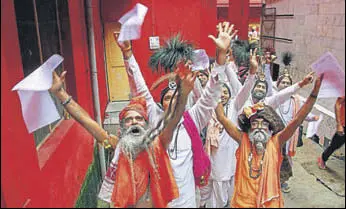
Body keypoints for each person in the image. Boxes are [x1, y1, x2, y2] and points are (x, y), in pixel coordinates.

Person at [115, 22, 237, 208]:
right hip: (159, 201)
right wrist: (128, 54)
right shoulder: (155, 119)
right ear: (161, 103)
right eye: (167, 98)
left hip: (187, 200)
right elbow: (140, 87)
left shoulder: (194, 118)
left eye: (175, 96)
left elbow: (211, 93)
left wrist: (220, 58)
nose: (171, 101)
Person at [48, 65, 197, 207]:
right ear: (122, 127)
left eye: (139, 119)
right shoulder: (117, 146)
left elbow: (172, 122)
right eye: (129, 120)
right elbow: (88, 123)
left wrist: (183, 94)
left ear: (146, 125)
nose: (134, 122)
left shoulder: (158, 144)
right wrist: (61, 94)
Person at [215, 74, 324, 208]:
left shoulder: (276, 142)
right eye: (255, 123)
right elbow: (222, 118)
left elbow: (297, 120)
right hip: (242, 203)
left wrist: (315, 91)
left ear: (270, 128)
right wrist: (214, 87)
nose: (259, 127)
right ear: (249, 128)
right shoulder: (243, 140)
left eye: (264, 124)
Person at [199, 48, 258, 208]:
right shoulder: (208, 109)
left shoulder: (234, 107)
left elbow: (244, 91)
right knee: (208, 191)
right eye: (220, 92)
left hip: (227, 160)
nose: (223, 95)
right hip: (210, 158)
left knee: (223, 195)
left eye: (226, 92)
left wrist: (252, 74)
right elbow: (201, 92)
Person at [274, 70, 320, 193]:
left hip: (288, 136)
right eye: (282, 82)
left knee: (286, 159)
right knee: (272, 157)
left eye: (288, 83)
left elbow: (303, 113)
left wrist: (312, 118)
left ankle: (283, 181)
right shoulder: (274, 98)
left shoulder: (296, 100)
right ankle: (270, 180)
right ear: (277, 84)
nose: (285, 84)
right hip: (273, 135)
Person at [318, 96, 345, 169]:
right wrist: (339, 124)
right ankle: (323, 158)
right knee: (335, 145)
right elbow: (337, 103)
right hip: (343, 125)